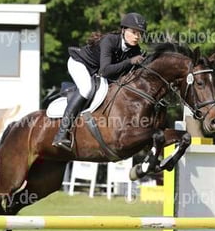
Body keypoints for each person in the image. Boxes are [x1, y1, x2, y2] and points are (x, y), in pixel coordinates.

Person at [52, 12, 147, 151]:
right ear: (123, 30)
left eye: (140, 33)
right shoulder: (109, 40)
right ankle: (61, 133)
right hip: (80, 63)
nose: (137, 36)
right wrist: (129, 62)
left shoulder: (135, 50)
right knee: (86, 89)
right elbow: (105, 71)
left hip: (96, 72)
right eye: (133, 32)